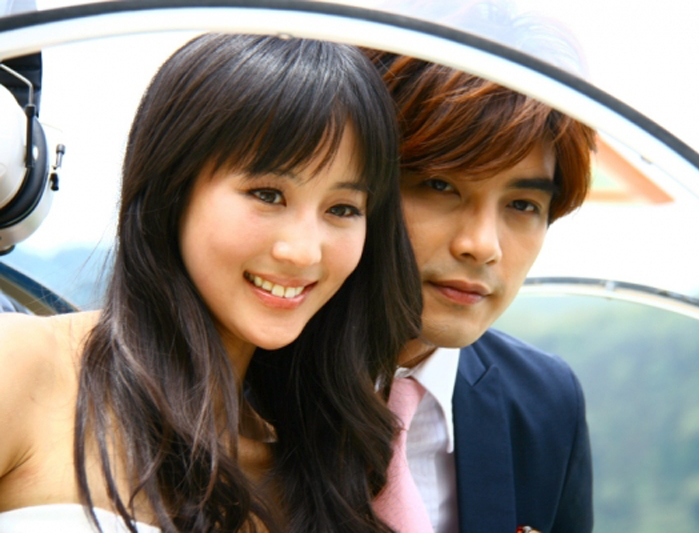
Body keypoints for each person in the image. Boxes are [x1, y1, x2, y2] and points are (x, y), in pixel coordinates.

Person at [0, 34, 421, 533]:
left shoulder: (315, 476)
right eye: (268, 194)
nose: (305, 251)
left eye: (343, 209)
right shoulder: (23, 368)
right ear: (172, 189)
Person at [366, 50, 596, 533]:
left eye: (522, 204)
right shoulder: (237, 386)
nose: (482, 245)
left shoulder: (544, 403)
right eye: (439, 185)